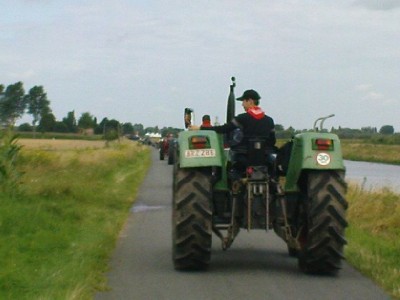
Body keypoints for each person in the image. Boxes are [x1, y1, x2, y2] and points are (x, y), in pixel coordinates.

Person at [190, 89, 276, 171]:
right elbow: (273, 141)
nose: (242, 104)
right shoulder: (269, 120)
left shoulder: (242, 118)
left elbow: (224, 129)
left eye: (243, 101)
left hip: (243, 158)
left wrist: (200, 128)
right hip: (264, 158)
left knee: (231, 157)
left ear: (250, 101)